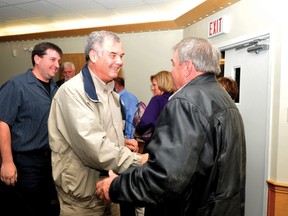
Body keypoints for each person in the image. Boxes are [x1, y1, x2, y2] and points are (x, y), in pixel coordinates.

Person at [96, 37, 246, 216]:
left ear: (187, 66)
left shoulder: (186, 102)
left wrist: (116, 187)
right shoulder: (223, 98)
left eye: (174, 65)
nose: (172, 71)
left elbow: (166, 178)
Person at [48, 30, 148, 216]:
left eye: (121, 56)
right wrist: (138, 160)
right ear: (93, 56)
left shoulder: (110, 92)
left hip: (109, 188)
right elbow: (93, 147)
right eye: (113, 55)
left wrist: (120, 142)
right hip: (83, 198)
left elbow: (102, 133)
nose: (120, 61)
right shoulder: (72, 92)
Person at [0, 42, 63, 216]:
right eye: (52, 59)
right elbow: (2, 124)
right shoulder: (16, 85)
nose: (57, 65)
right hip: (24, 163)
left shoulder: (55, 89)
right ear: (37, 58)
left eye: (58, 61)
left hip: (49, 161)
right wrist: (7, 162)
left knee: (45, 207)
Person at [134, 70, 174, 153]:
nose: (152, 88)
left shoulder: (157, 100)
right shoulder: (175, 100)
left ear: (163, 85)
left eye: (154, 85)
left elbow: (146, 122)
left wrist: (137, 132)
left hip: (154, 146)